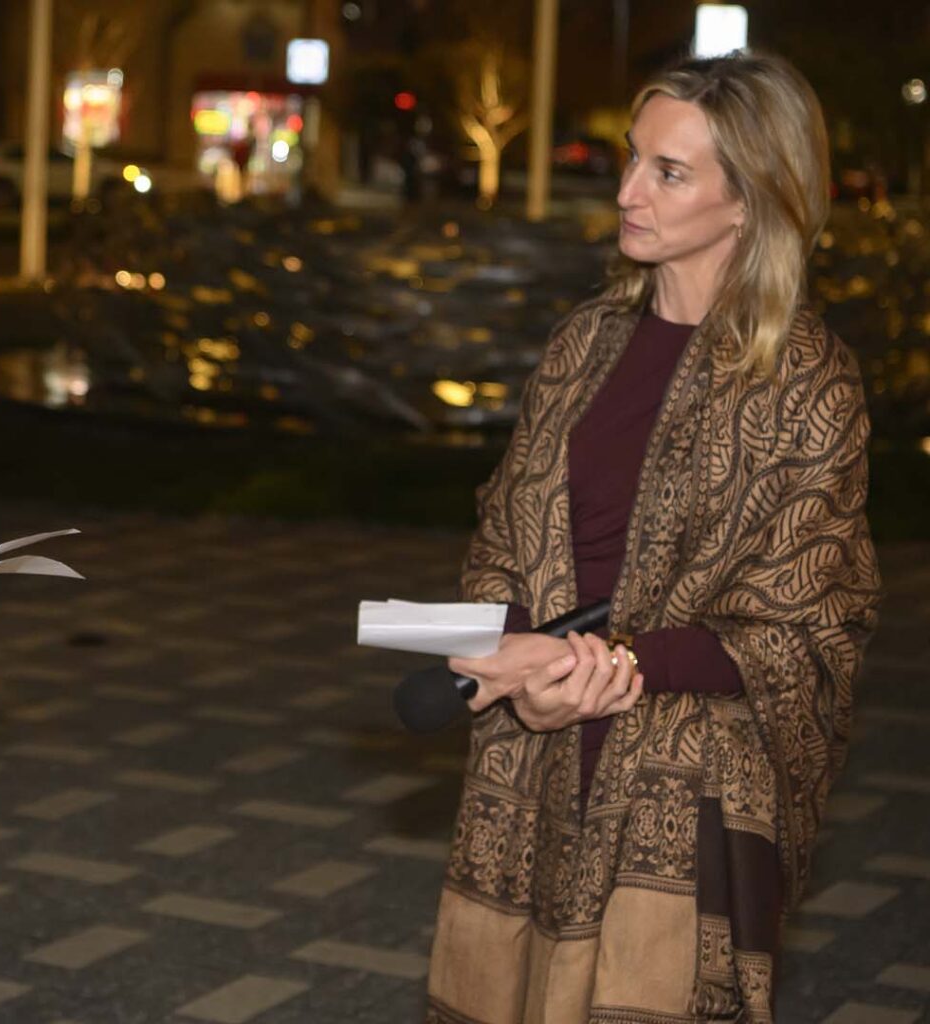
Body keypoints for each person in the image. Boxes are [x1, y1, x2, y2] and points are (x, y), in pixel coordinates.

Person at [424, 53, 880, 1021]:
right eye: (633, 158)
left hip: (688, 773)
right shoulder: (584, 341)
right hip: (533, 755)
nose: (628, 191)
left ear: (751, 200)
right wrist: (521, 654)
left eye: (669, 172)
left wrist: (611, 661)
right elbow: (507, 529)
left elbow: (803, 628)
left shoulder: (807, 381)